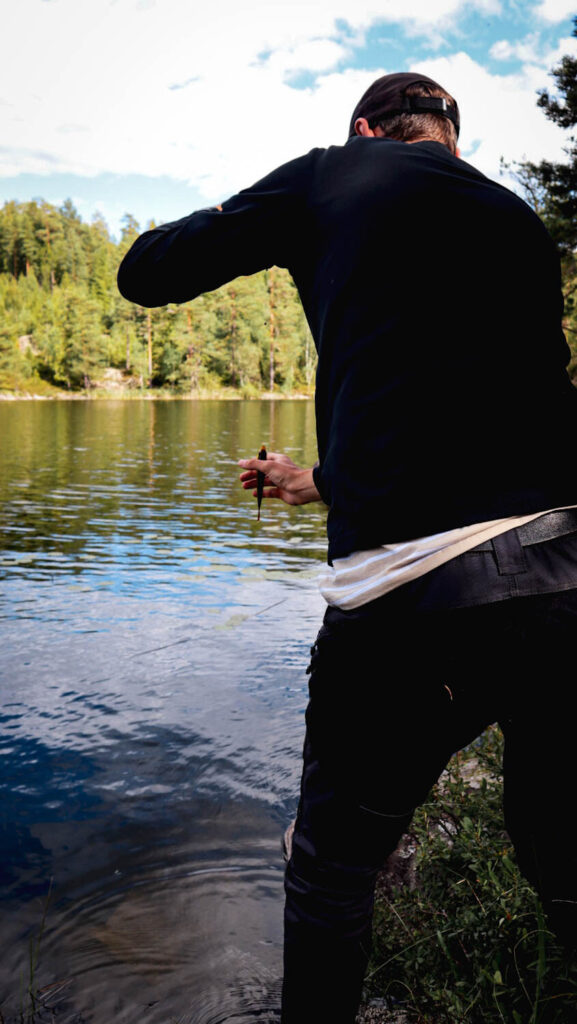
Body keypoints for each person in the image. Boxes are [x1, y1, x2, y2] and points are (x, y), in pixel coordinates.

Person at [118, 71, 577, 1023]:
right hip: (562, 578)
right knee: (561, 859)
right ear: (450, 138)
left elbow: (145, 272)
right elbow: (468, 432)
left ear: (367, 128)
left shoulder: (336, 173)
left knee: (331, 871)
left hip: (413, 601)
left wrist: (236, 215)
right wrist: (314, 481)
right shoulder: (520, 222)